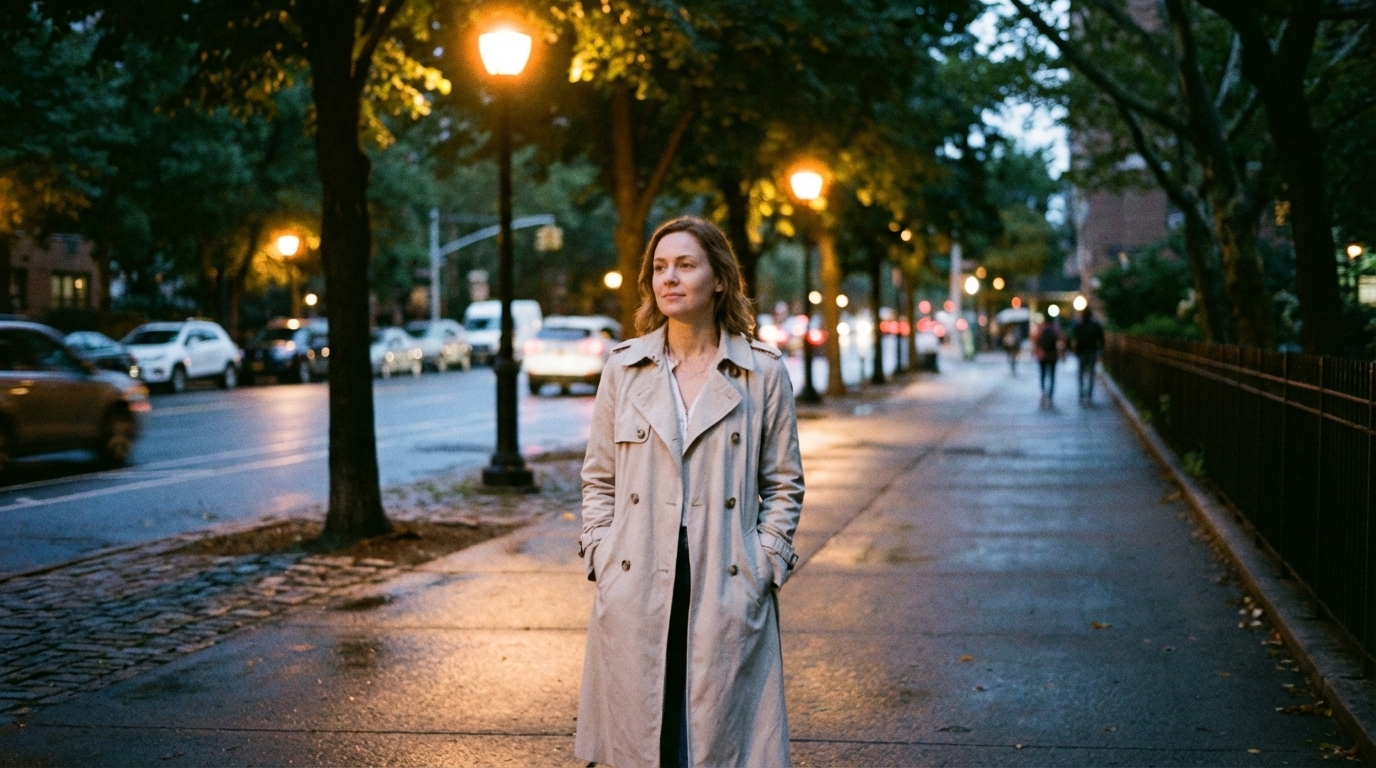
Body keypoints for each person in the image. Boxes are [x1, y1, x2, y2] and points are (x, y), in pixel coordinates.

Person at [576, 216, 805, 768]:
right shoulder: (624, 370)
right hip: (635, 578)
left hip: (725, 575)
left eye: (685, 265)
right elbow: (598, 478)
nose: (669, 279)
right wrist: (601, 552)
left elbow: (784, 482)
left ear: (719, 279)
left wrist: (764, 560)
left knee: (713, 738)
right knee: (643, 735)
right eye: (659, 268)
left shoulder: (761, 373)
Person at [1070, 306, 1106, 405]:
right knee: (1090, 374)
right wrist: (1100, 352)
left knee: (1081, 374)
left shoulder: (1078, 325)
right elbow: (1101, 340)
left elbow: (1074, 339)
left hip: (1081, 352)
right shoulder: (1095, 325)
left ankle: (1082, 395)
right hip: (1091, 351)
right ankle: (1089, 396)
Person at [1033, 316, 1063, 408]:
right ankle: (1050, 395)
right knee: (1052, 375)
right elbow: (1062, 339)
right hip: (1053, 355)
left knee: (1042, 374)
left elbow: (1034, 339)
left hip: (1042, 355)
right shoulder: (1055, 329)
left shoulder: (1040, 329)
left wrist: (1036, 350)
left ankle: (1043, 392)